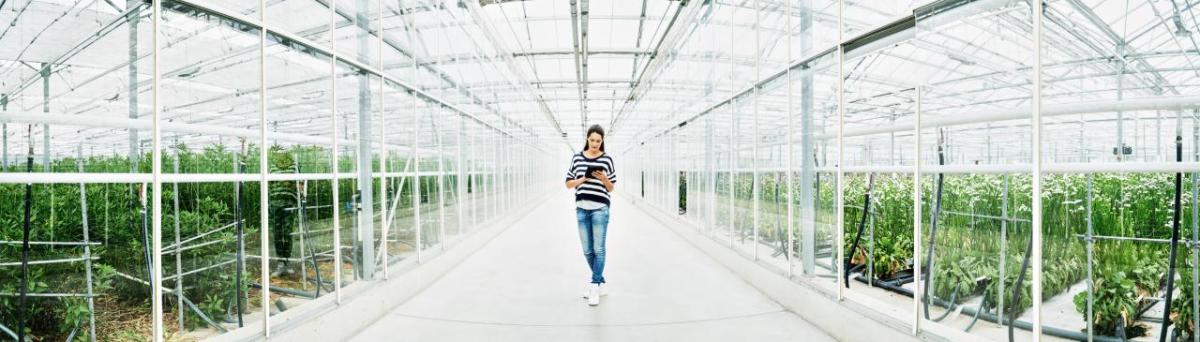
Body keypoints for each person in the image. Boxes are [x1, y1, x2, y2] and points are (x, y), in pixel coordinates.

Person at [564, 124, 617, 306]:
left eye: (598, 141)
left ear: (602, 142)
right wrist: (583, 179)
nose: (595, 143)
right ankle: (601, 283)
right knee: (587, 250)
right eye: (592, 140)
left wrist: (604, 179)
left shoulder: (607, 160)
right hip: (581, 207)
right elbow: (568, 183)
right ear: (587, 139)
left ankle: (594, 286)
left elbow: (611, 188)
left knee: (599, 249)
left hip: (600, 208)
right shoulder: (577, 158)